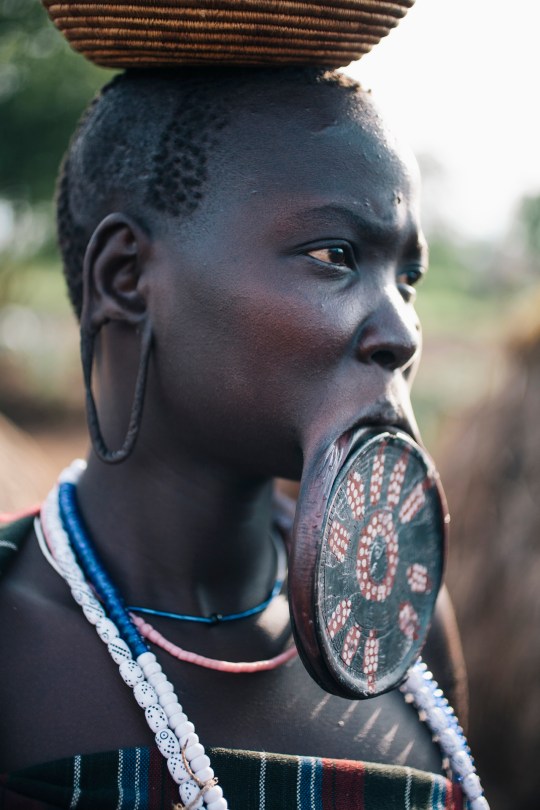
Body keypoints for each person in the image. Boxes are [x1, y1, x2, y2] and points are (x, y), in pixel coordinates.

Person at [0, 66, 472, 808]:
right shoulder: (12, 641)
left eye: (406, 277)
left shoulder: (395, 633)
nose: (402, 330)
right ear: (126, 276)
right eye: (336, 256)